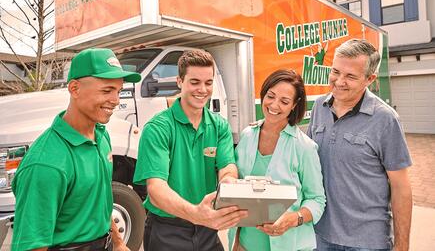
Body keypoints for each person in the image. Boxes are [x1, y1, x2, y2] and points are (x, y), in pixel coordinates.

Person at [11, 48, 140, 251]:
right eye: (107, 91)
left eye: (118, 90)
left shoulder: (101, 136)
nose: (116, 100)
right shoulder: (46, 163)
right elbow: (31, 244)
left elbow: (101, 201)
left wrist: (117, 242)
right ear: (74, 88)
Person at [133, 49, 247, 251]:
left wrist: (228, 183)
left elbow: (227, 166)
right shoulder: (158, 128)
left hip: (207, 229)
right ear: (179, 82)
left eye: (208, 83)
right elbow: (156, 189)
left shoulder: (219, 126)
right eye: (194, 82)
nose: (202, 89)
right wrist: (196, 213)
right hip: (167, 231)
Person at [308, 39, 413, 251]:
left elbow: (401, 187)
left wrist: (402, 246)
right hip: (320, 235)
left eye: (350, 76)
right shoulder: (319, 106)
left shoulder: (385, 119)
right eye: (335, 72)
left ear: (370, 79)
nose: (339, 81)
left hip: (367, 242)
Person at [229, 69, 326, 251]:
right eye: (270, 96)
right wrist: (236, 241)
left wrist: (293, 219)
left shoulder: (304, 147)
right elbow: (238, 192)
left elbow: (317, 200)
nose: (274, 105)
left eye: (284, 101)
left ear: (294, 105)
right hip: (245, 246)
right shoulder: (247, 136)